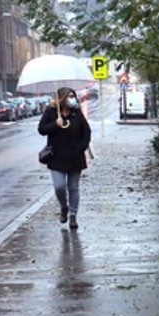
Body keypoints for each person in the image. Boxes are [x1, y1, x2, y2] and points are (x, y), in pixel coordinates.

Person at [37, 86, 92, 230]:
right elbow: (42, 129)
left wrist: (82, 147)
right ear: (61, 98)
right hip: (56, 157)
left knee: (73, 187)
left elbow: (86, 132)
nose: (72, 99)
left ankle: (73, 216)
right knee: (59, 186)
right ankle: (64, 207)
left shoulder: (76, 113)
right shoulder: (51, 112)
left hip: (75, 157)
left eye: (73, 96)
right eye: (69, 96)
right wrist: (55, 124)